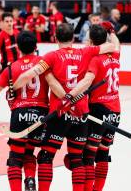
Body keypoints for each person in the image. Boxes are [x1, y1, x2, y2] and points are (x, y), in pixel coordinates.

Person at [12, 23, 116, 191]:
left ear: (55, 38)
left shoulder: (51, 57)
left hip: (59, 114)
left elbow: (30, 74)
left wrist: (13, 88)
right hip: (81, 114)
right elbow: (111, 46)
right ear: (73, 38)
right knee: (77, 159)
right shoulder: (85, 52)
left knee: (46, 156)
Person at [0, 31, 53, 191]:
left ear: (18, 48)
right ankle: (30, 179)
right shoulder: (44, 63)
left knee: (15, 157)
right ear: (36, 46)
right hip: (41, 114)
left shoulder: (12, 68)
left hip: (19, 114)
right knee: (29, 153)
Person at [67, 23, 121, 191]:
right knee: (103, 153)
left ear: (90, 42)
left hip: (99, 110)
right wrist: (111, 31)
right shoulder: (115, 55)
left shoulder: (96, 59)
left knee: (90, 154)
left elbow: (87, 81)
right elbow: (117, 44)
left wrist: (70, 95)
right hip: (115, 111)